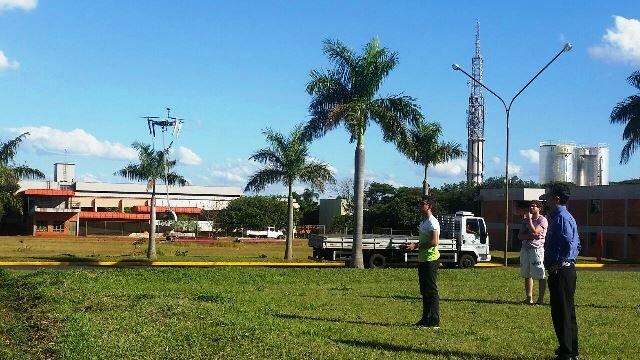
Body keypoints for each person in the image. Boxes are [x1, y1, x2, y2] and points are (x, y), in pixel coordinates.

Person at [540, 184, 581, 360]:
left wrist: (559, 263)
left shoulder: (561, 218)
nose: (546, 200)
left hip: (561, 270)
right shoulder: (561, 216)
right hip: (564, 269)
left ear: (556, 198)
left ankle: (567, 353)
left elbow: (569, 243)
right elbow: (577, 244)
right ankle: (570, 348)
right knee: (567, 312)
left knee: (561, 313)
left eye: (548, 197)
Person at [405, 195, 440, 328]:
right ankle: (425, 319)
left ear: (429, 206)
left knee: (431, 291)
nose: (420, 206)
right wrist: (415, 244)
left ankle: (434, 321)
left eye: (422, 204)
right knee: (424, 291)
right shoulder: (424, 221)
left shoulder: (432, 222)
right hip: (423, 259)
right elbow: (426, 240)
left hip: (431, 260)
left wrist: (416, 246)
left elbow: (434, 242)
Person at [517, 200, 548, 305]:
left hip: (536, 249)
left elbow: (535, 231)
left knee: (540, 274)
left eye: (534, 206)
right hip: (525, 249)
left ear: (539, 208)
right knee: (527, 274)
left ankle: (540, 299)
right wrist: (530, 236)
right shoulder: (524, 221)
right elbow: (520, 236)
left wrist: (529, 220)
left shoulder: (542, 220)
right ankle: (529, 298)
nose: (531, 208)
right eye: (530, 206)